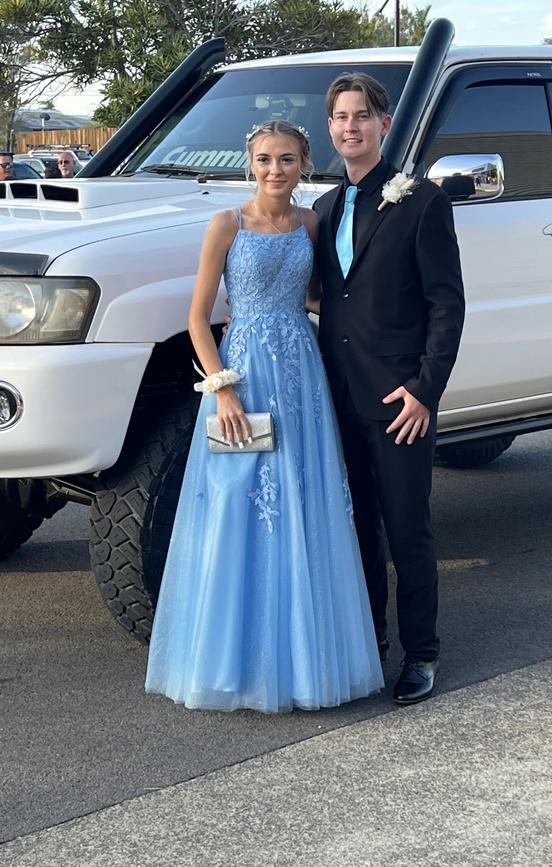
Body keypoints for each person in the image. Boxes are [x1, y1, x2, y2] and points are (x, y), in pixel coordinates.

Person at [145, 120, 383, 713]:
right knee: (238, 499)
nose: (274, 171)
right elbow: (199, 317)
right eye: (263, 160)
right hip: (245, 377)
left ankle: (305, 660)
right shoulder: (227, 224)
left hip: (301, 377)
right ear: (249, 163)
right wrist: (221, 389)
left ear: (304, 163)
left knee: (304, 501)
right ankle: (229, 660)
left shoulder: (309, 223)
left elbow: (320, 296)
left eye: (286, 160)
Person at [313, 73, 465, 706]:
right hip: (337, 399)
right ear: (330, 128)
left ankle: (421, 654)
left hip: (400, 400)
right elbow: (326, 298)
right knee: (358, 532)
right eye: (340, 117)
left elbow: (446, 305)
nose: (350, 127)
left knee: (408, 530)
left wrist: (424, 391)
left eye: (362, 116)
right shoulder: (321, 209)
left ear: (382, 124)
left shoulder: (421, 202)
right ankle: (370, 644)